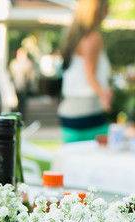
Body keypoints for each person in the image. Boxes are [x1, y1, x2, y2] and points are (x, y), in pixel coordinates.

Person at [59, 0, 112, 143]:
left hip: (69, 111)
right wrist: (105, 96)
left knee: (73, 162)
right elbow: (90, 75)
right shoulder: (92, 38)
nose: (108, 12)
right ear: (97, 11)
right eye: (107, 8)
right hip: (87, 110)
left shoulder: (73, 38)